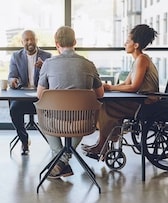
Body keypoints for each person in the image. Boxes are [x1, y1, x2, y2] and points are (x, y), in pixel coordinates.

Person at [82, 24, 159, 159]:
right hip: (139, 100)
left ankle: (102, 145)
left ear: (136, 45)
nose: (125, 43)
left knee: (104, 105)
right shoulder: (138, 60)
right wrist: (108, 87)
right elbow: (126, 84)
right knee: (105, 103)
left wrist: (111, 88)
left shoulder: (142, 59)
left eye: (128, 41)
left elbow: (134, 87)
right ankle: (103, 144)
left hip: (145, 104)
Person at [37, 26, 104, 178]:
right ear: (75, 42)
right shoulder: (89, 64)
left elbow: (40, 95)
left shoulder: (48, 64)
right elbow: (100, 94)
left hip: (54, 121)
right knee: (81, 113)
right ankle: (63, 162)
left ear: (56, 44)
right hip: (83, 122)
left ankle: (60, 160)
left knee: (41, 112)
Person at [8, 30, 52, 155]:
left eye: (32, 39)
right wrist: (13, 81)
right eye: (26, 40)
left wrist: (44, 67)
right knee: (14, 109)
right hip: (23, 96)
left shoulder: (47, 56)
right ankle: (24, 140)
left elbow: (53, 78)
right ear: (22, 42)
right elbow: (11, 76)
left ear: (36, 40)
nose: (30, 42)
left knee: (52, 109)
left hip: (41, 97)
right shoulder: (16, 56)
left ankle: (54, 143)